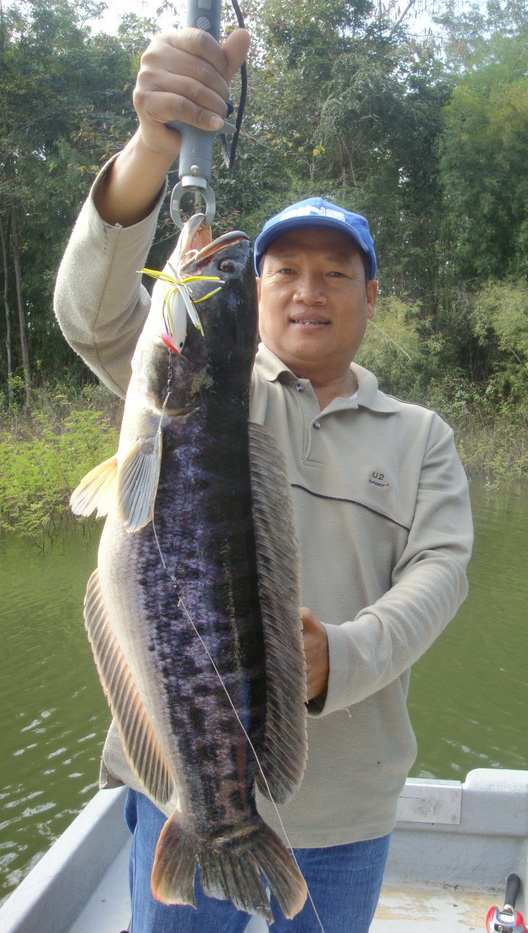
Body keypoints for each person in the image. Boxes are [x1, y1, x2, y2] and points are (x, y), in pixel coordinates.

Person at [54, 25, 473, 933]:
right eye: (280, 271)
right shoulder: (207, 390)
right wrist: (153, 146)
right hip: (173, 787)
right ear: (257, 296)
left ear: (371, 297)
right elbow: (90, 315)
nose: (305, 290)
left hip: (346, 811)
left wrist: (339, 657)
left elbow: (442, 576)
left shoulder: (421, 438)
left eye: (336, 273)